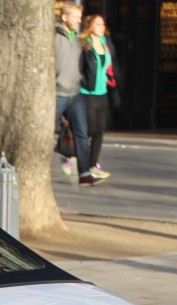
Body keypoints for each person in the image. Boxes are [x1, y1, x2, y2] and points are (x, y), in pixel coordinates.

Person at [55, 2, 102, 186]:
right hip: (58, 92)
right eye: (76, 17)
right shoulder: (55, 36)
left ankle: (84, 172)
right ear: (65, 17)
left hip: (75, 92)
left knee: (82, 133)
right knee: (44, 130)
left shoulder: (77, 39)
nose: (79, 21)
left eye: (80, 17)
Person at [80, 14, 116, 181]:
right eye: (98, 24)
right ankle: (75, 158)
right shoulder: (84, 44)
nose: (102, 27)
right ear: (90, 26)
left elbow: (110, 65)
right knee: (89, 129)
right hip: (87, 93)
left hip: (102, 92)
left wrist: (113, 81)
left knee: (100, 131)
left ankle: (93, 165)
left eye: (103, 24)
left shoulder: (105, 44)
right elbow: (80, 67)